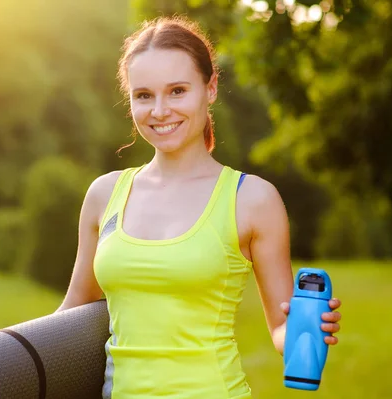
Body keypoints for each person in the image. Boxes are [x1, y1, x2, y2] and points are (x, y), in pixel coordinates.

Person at [56, 15, 342, 399]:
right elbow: (75, 308)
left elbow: (279, 328)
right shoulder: (104, 195)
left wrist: (306, 329)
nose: (160, 110)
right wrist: (3, 360)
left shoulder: (251, 199)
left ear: (210, 89)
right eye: (144, 95)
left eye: (177, 91)